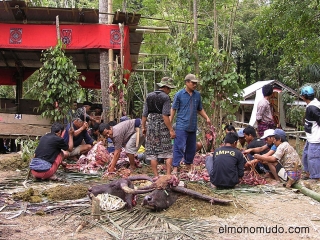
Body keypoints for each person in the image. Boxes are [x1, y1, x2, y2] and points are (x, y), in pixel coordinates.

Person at [171, 73, 211, 174]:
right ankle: (175, 166)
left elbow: (199, 109)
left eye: (195, 83)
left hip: (192, 126)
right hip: (181, 126)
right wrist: (170, 123)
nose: (195, 85)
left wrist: (206, 117)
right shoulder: (179, 94)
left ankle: (188, 163)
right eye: (193, 83)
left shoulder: (197, 95)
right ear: (187, 82)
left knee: (191, 147)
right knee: (179, 146)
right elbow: (173, 109)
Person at [142, 77, 176, 176]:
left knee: (153, 153)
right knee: (168, 151)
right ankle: (168, 175)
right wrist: (171, 130)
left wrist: (143, 127)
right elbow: (165, 115)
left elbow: (144, 114)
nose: (169, 91)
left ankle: (156, 176)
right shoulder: (165, 98)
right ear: (165, 87)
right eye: (169, 89)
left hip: (151, 126)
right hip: (162, 126)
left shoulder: (149, 96)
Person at [300, 86, 320, 179]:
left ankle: (316, 177)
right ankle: (308, 173)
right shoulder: (312, 105)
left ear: (304, 96)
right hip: (310, 137)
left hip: (315, 138)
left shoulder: (313, 107)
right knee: (306, 155)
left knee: (313, 158)